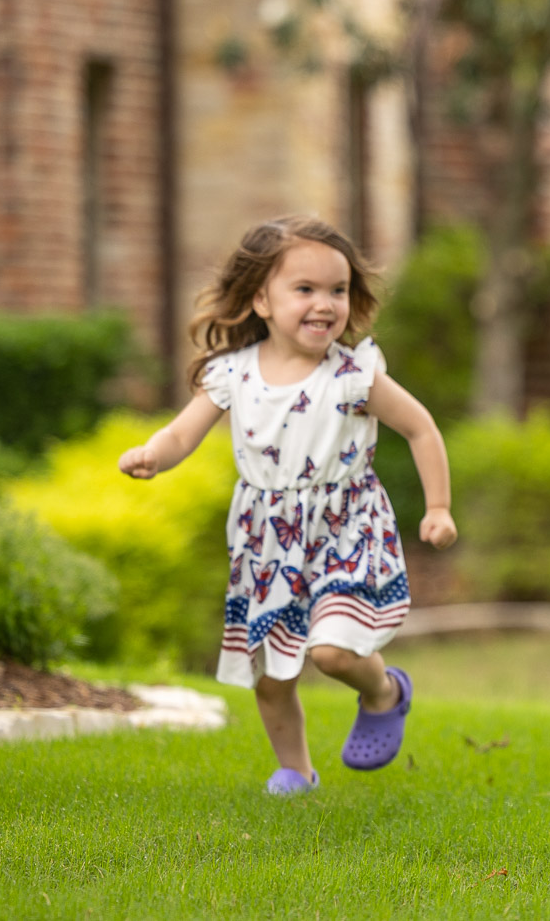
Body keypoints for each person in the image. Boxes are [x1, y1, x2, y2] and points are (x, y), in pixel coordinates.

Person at [119, 215, 457, 795]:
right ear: (261, 300)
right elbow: (182, 434)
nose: (325, 304)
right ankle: (295, 770)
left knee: (329, 651)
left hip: (345, 527)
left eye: (338, 290)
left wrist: (439, 507)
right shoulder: (232, 374)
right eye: (305, 290)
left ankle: (384, 692)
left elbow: (422, 428)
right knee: (271, 674)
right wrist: (153, 453)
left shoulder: (354, 374)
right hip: (267, 541)